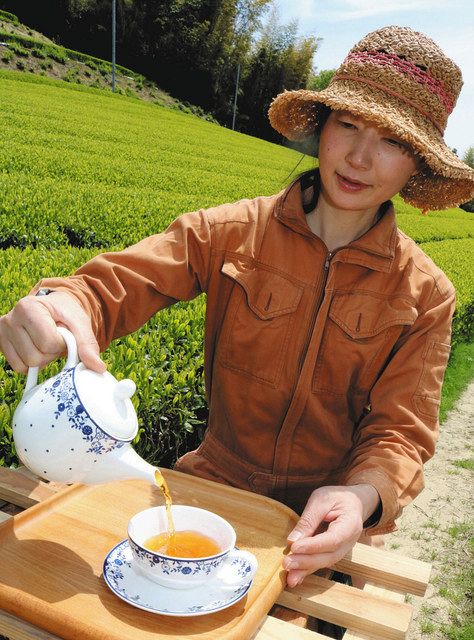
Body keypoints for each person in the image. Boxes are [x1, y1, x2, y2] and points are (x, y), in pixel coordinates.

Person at [1, 26, 474, 595]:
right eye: (348, 124)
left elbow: (400, 431)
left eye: (393, 142)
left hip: (318, 526)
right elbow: (121, 282)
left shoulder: (426, 293)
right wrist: (62, 303)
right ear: (322, 126)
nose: (359, 157)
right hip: (210, 488)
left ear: (417, 165)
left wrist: (361, 495)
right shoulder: (230, 231)